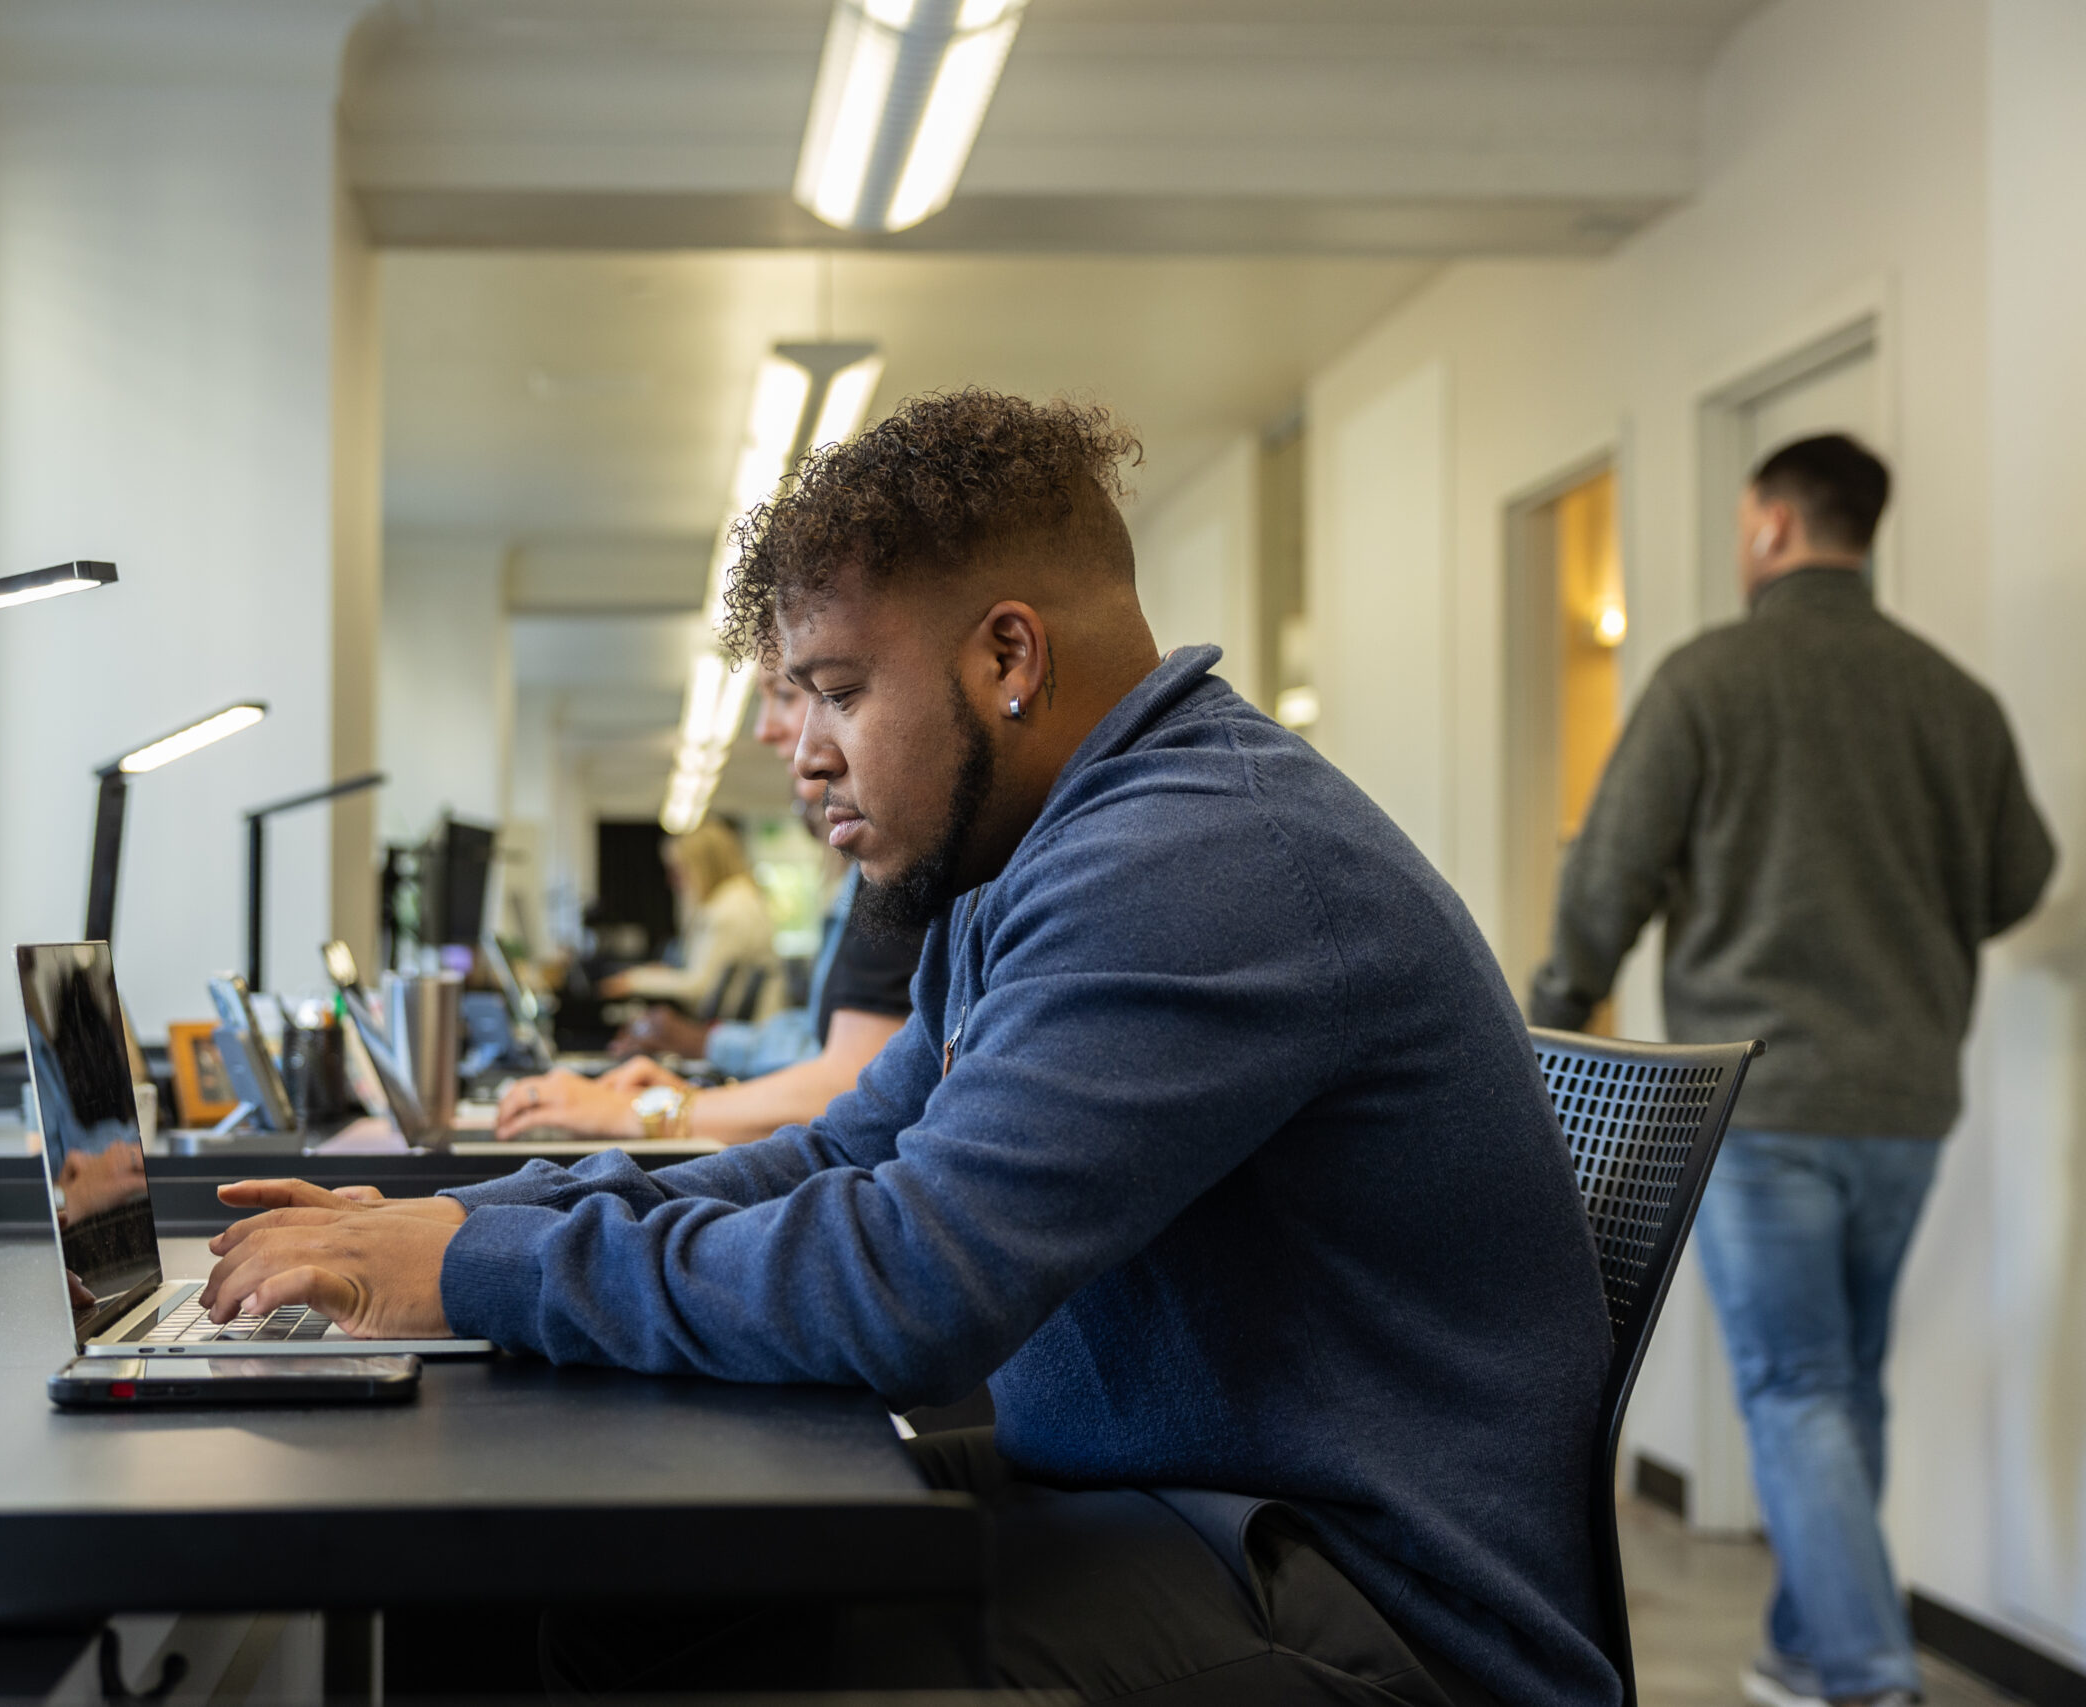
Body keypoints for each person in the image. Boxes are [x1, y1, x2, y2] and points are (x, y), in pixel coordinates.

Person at [202, 390, 1617, 1707]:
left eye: (836, 688)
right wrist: (460, 1220)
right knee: (612, 1598)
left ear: (1009, 654)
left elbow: (905, 1284)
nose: (802, 751)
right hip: (1187, 1494)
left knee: (675, 1641)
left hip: (1371, 1599)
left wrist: (469, 1266)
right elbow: (838, 1153)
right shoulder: (1042, 862)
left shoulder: (1199, 862)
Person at [1529, 434, 2055, 1707]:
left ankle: (1871, 1678)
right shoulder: (1954, 699)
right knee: (1838, 1381)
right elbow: (2018, 880)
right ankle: (1799, 1650)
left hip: (1764, 1102)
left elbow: (1610, 877)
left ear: (1768, 525)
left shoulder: (1709, 680)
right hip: (1908, 1098)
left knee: (1794, 1384)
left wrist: (1550, 1009)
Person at [499, 666, 919, 1144]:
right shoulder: (868, 882)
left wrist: (652, 1112)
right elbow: (830, 1055)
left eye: (786, 695)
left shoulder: (893, 873)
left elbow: (847, 1083)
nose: (765, 731)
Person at [599, 817, 780, 1022]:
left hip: (741, 1032)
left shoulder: (730, 908)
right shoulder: (737, 898)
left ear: (700, 866)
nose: (672, 882)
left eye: (678, 871)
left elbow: (701, 987)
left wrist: (633, 981)